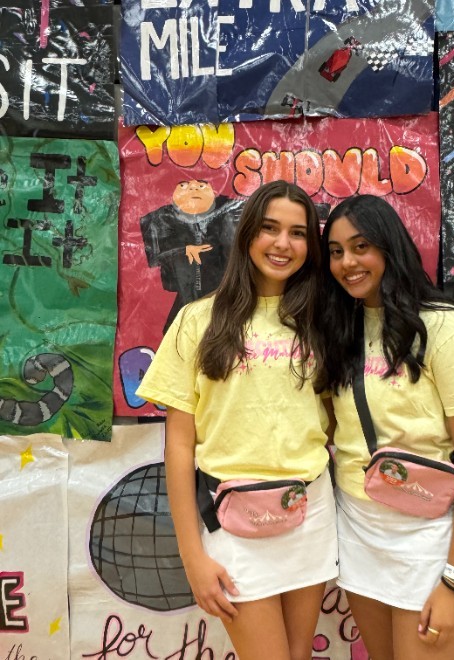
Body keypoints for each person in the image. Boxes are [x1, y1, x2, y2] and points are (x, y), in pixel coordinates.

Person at [136, 180, 338, 660]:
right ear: (246, 234)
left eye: (297, 233)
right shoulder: (196, 320)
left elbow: (330, 419)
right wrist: (193, 557)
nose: (282, 243)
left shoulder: (323, 321)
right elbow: (178, 447)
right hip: (231, 520)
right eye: (269, 228)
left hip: (309, 513)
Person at [317, 195, 454, 660]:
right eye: (336, 252)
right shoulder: (339, 327)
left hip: (431, 537)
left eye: (360, 246)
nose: (347, 263)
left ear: (389, 246)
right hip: (359, 530)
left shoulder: (444, 328)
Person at [140, 179, 240, 333]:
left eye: (201, 186)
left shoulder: (232, 211)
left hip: (224, 292)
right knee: (177, 331)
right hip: (186, 289)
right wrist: (183, 250)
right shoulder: (159, 218)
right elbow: (153, 257)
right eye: (183, 185)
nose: (194, 189)